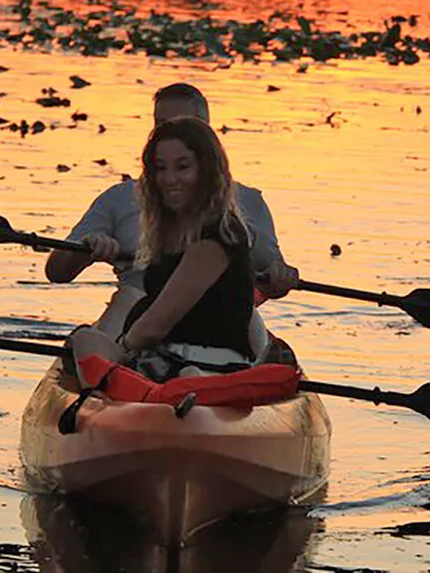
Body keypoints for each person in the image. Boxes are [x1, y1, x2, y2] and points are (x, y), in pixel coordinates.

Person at [45, 83, 298, 338]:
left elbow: (274, 276)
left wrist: (279, 277)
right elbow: (56, 272)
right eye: (162, 125)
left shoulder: (249, 202)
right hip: (136, 302)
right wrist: (87, 250)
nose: (171, 134)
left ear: (206, 132)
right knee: (95, 338)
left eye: (182, 124)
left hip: (220, 314)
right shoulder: (119, 197)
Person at [68, 117, 256, 385]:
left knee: (86, 341)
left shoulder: (215, 235)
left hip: (210, 362)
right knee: (86, 338)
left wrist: (122, 346)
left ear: (207, 169)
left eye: (182, 167)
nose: (169, 179)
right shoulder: (172, 230)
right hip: (167, 358)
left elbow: (154, 327)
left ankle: (179, 387)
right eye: (160, 168)